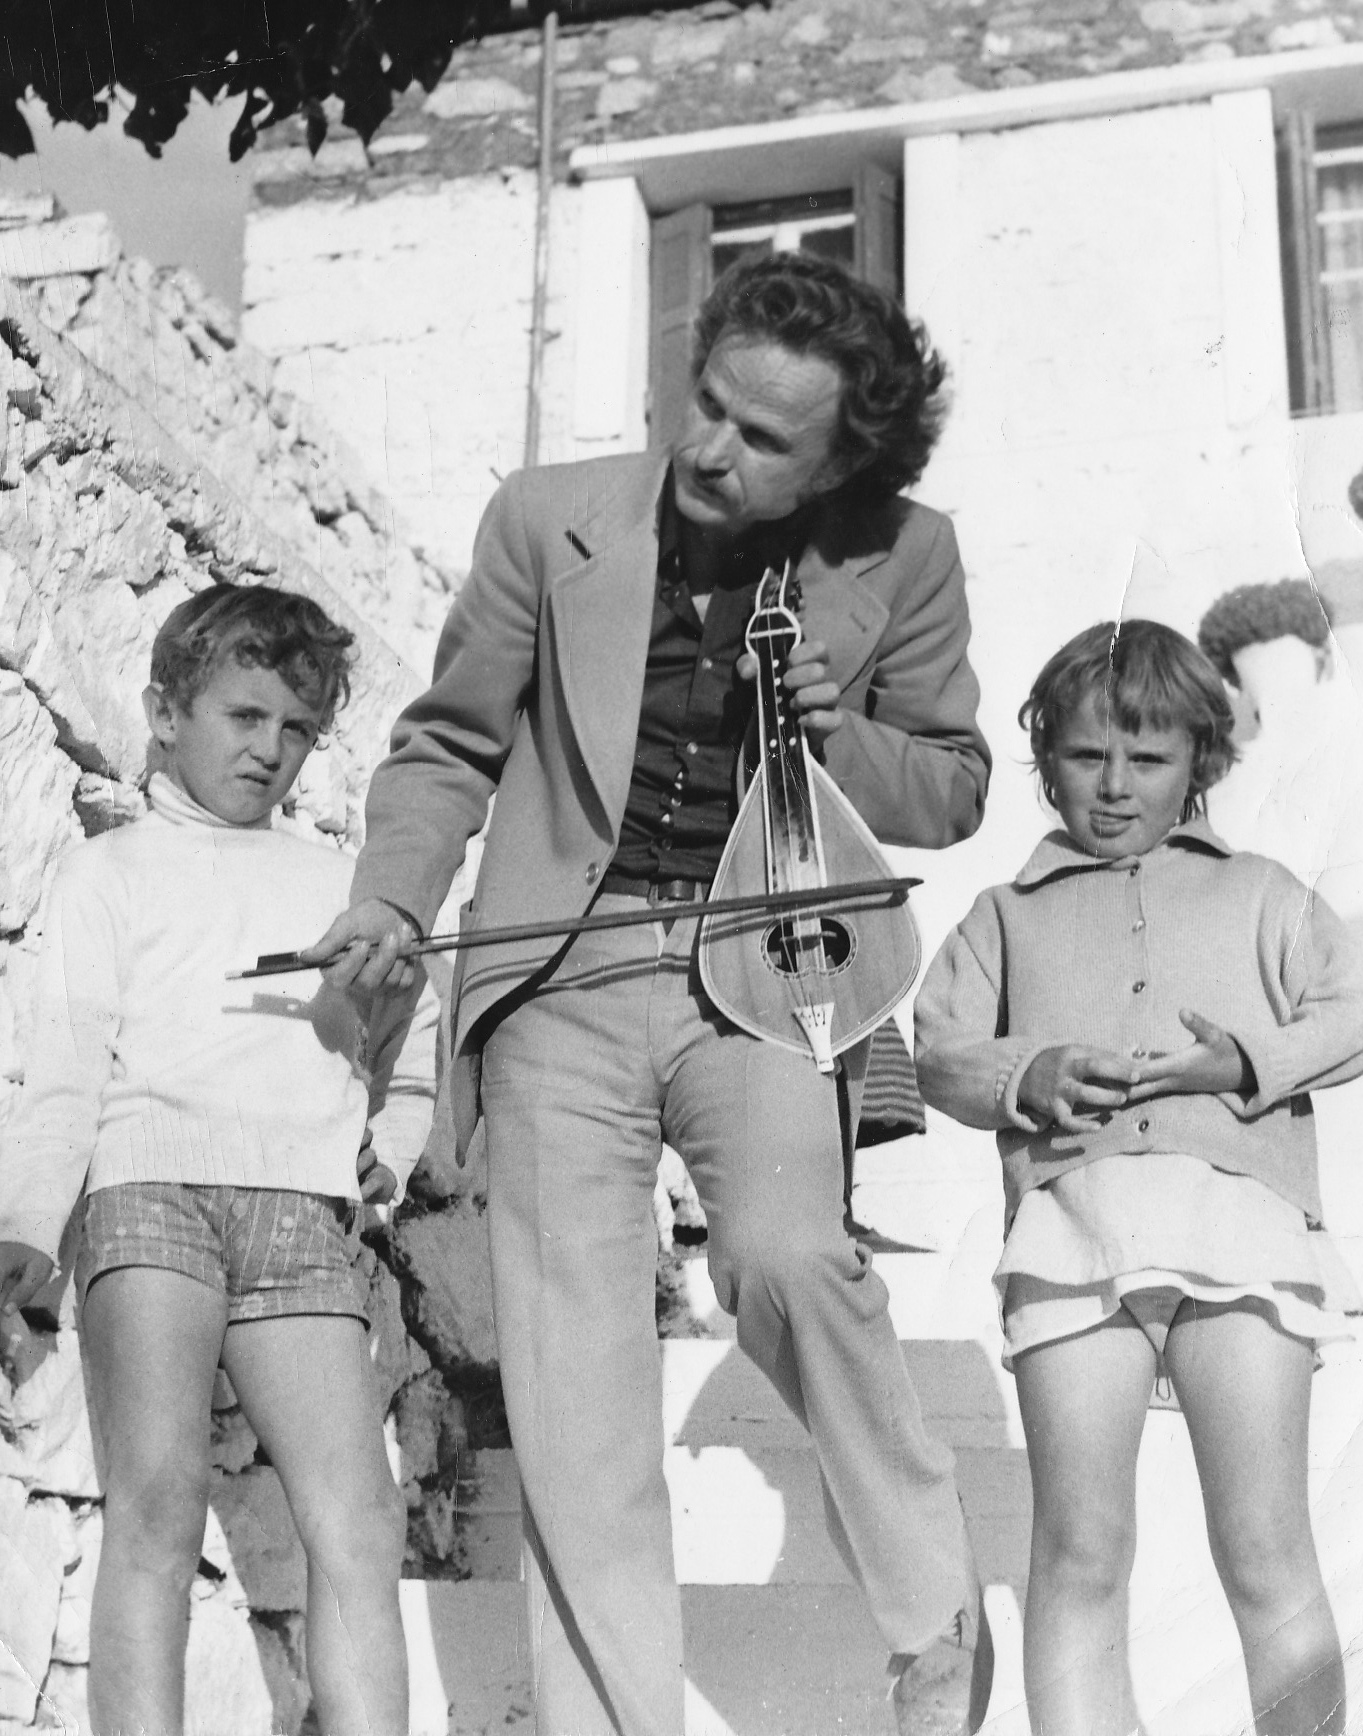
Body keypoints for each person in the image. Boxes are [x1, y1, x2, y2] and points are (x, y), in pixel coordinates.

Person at [307, 253, 996, 1736]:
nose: (711, 449)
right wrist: (391, 898)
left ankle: (933, 1608)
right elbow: (449, 743)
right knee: (575, 1390)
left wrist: (842, 735)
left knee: (786, 1253)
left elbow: (950, 787)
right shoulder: (543, 516)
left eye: (764, 439)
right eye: (708, 404)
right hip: (562, 968)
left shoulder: (907, 554)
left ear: (839, 467)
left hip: (767, 966)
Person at [914, 619, 1363, 1736]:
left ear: (1201, 761)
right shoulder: (1004, 915)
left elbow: (1356, 1018)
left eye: (1149, 757)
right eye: (1087, 756)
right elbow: (936, 1050)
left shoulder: (1263, 893)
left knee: (1264, 1545)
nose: (1116, 786)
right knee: (1081, 1550)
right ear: (1046, 759)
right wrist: (1027, 1071)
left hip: (1239, 1233)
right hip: (1072, 1237)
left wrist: (1243, 1061)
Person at [0, 585, 440, 1736]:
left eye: (297, 728)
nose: (270, 749)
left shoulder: (344, 888)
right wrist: (28, 1228)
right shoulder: (111, 871)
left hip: (304, 1215)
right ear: (164, 712)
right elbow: (65, 1073)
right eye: (245, 716)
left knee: (362, 1518)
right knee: (156, 1501)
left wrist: (390, 1151)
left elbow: (413, 1051)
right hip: (150, 1200)